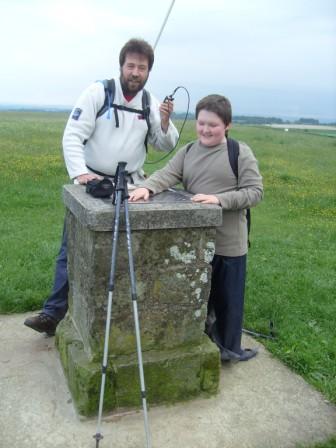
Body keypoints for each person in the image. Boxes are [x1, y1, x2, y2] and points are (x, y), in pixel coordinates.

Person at [24, 38, 179, 336]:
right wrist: (80, 173)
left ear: (149, 72)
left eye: (142, 68)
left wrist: (164, 120)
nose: (135, 72)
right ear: (121, 66)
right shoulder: (98, 92)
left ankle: (117, 314)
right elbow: (72, 135)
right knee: (72, 245)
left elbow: (164, 144)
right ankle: (54, 312)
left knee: (129, 247)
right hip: (95, 182)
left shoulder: (149, 101)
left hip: (132, 183)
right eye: (131, 65)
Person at [129, 94, 263, 362]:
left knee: (228, 303)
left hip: (228, 243)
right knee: (196, 298)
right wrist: (146, 187)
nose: (205, 130)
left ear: (227, 125)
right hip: (193, 243)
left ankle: (228, 351)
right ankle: (197, 342)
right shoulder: (189, 150)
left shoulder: (239, 152)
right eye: (201, 123)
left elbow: (255, 192)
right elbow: (167, 174)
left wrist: (219, 200)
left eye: (212, 125)